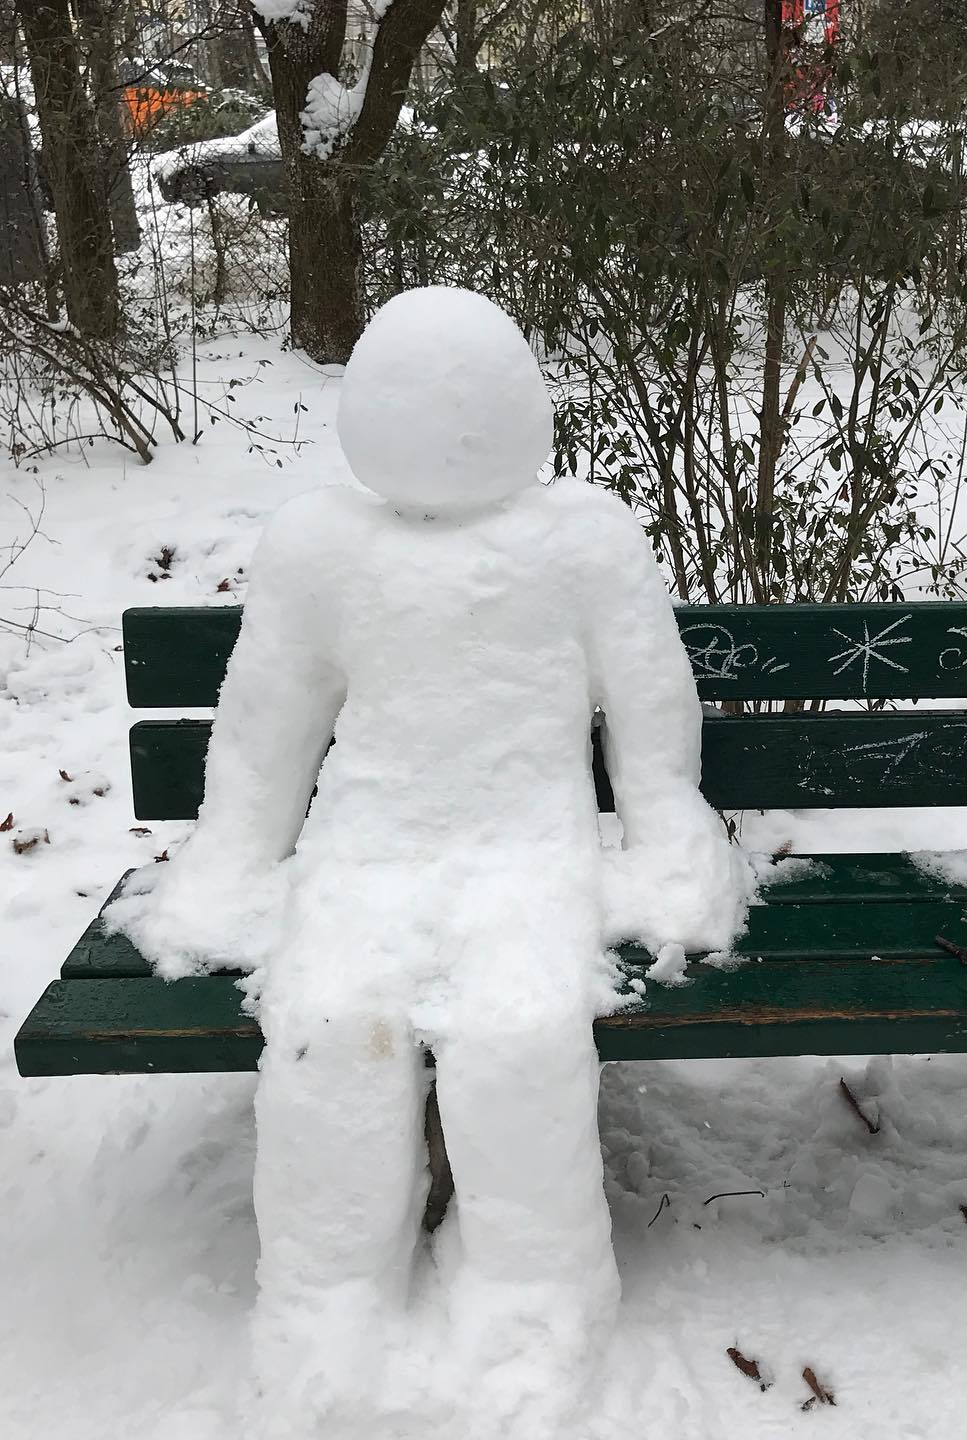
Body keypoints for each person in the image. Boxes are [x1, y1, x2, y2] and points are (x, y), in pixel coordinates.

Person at [118, 287, 744, 1437]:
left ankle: (531, 1296)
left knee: (517, 1033)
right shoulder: (318, 548)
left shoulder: (584, 542)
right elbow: (269, 720)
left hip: (522, 838)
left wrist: (665, 832)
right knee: (327, 1031)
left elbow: (651, 711)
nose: (444, 422)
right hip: (373, 835)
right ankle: (324, 1299)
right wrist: (235, 856)